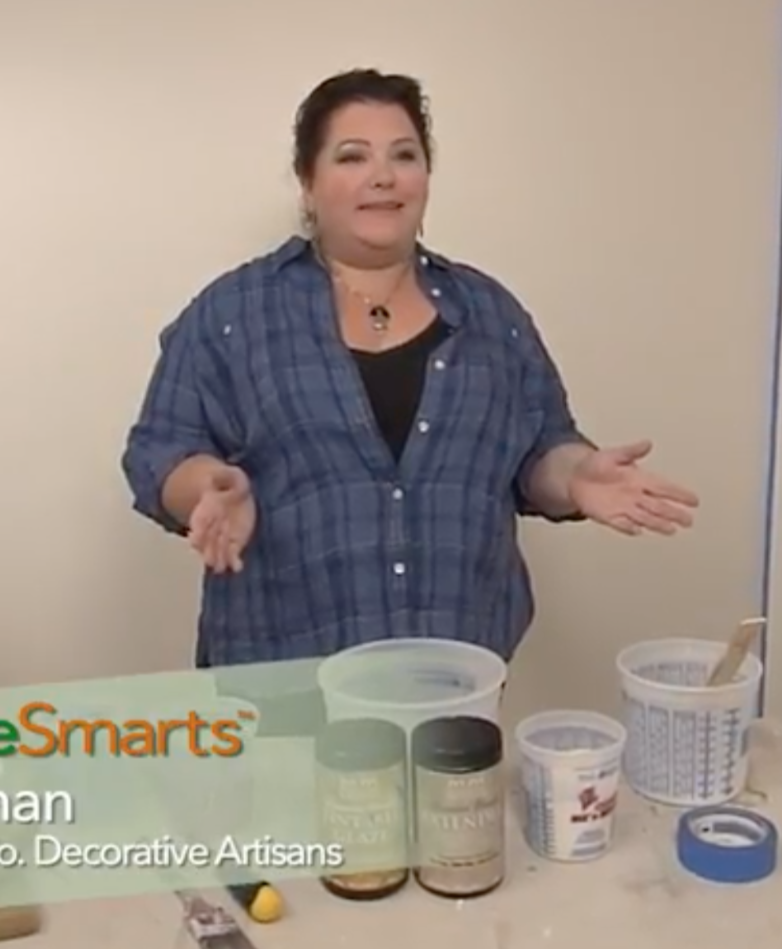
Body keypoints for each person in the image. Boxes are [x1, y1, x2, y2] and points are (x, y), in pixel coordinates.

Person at [121, 68, 700, 670]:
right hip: (280, 680)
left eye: (404, 155)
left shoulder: (490, 313)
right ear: (308, 182)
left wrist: (577, 473)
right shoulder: (234, 313)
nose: (383, 176)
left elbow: (538, 451)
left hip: (456, 677)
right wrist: (206, 486)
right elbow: (159, 449)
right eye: (352, 156)